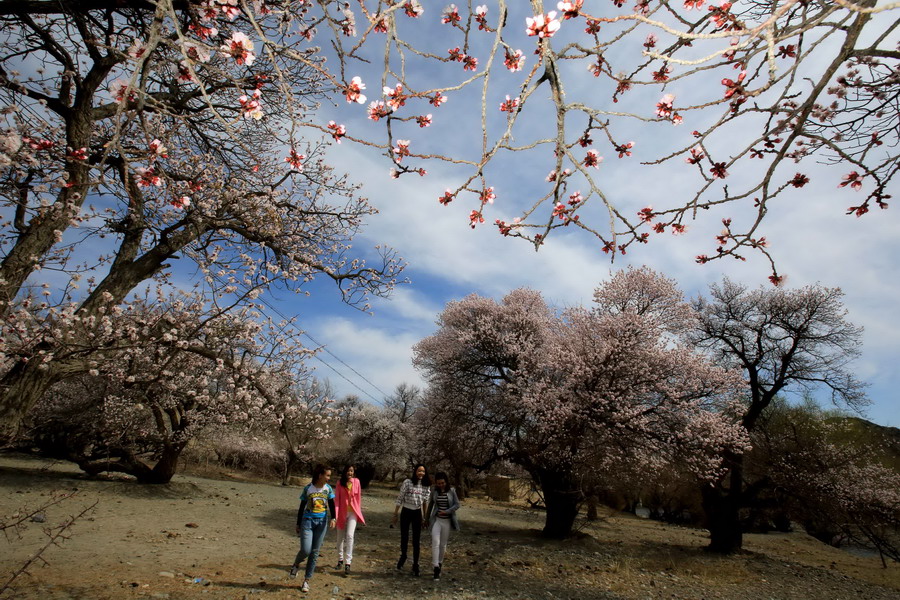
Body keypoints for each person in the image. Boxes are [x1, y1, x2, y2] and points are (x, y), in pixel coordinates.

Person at [289, 464, 336, 593]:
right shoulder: (308, 489)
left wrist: (333, 518)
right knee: (305, 550)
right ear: (320, 475)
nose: (328, 478)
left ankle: (306, 581)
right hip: (308, 522)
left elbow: (332, 504)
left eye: (329, 476)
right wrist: (298, 524)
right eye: (327, 475)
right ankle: (296, 565)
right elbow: (301, 506)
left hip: (321, 523)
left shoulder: (328, 489)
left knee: (315, 552)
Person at [391, 463, 430, 576]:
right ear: (415, 472)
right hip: (406, 511)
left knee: (416, 540)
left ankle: (416, 564)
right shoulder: (407, 482)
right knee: (404, 536)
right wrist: (395, 514)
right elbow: (400, 498)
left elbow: (425, 501)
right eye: (419, 471)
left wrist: (424, 517)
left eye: (423, 471)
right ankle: (403, 556)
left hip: (417, 513)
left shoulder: (426, 485)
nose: (421, 473)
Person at [427, 472, 461, 581]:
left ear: (446, 482)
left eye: (442, 483)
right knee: (435, 542)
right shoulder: (434, 491)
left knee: (442, 545)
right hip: (437, 520)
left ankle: (440, 563)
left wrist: (447, 511)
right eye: (438, 483)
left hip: (447, 521)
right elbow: (430, 505)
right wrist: (426, 519)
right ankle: (435, 567)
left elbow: (457, 504)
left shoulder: (452, 491)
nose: (441, 485)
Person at [334, 464, 365, 575]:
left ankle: (348, 563)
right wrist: (335, 515)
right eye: (348, 471)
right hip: (342, 512)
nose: (350, 473)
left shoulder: (356, 482)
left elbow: (358, 498)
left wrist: (358, 511)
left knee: (350, 535)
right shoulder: (339, 483)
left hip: (353, 512)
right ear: (344, 472)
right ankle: (340, 559)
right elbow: (337, 500)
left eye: (351, 471)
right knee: (340, 537)